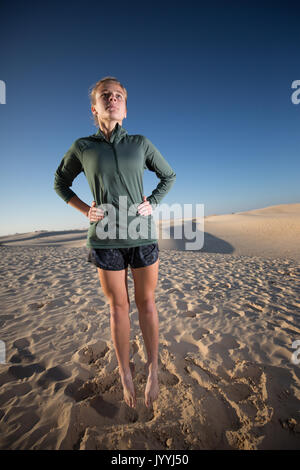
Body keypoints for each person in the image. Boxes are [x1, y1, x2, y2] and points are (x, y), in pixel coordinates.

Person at [54, 76, 176, 408]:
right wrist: (84, 210)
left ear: (125, 107)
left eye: (119, 95)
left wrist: (153, 200)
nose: (113, 98)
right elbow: (60, 182)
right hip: (105, 239)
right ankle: (124, 371)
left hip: (143, 236)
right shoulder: (83, 146)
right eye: (105, 95)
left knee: (147, 304)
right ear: (95, 108)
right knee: (118, 308)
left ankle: (152, 367)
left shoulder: (141, 143)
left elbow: (169, 175)